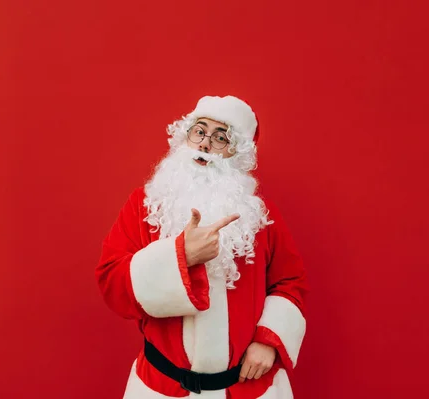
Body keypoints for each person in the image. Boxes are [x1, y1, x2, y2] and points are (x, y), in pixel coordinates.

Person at [96, 95, 308, 399]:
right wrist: (180, 257)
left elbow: (291, 283)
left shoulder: (262, 215)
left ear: (237, 153)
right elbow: (111, 282)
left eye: (221, 138)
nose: (205, 144)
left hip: (247, 389)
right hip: (163, 388)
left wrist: (269, 342)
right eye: (199, 131)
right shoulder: (145, 205)